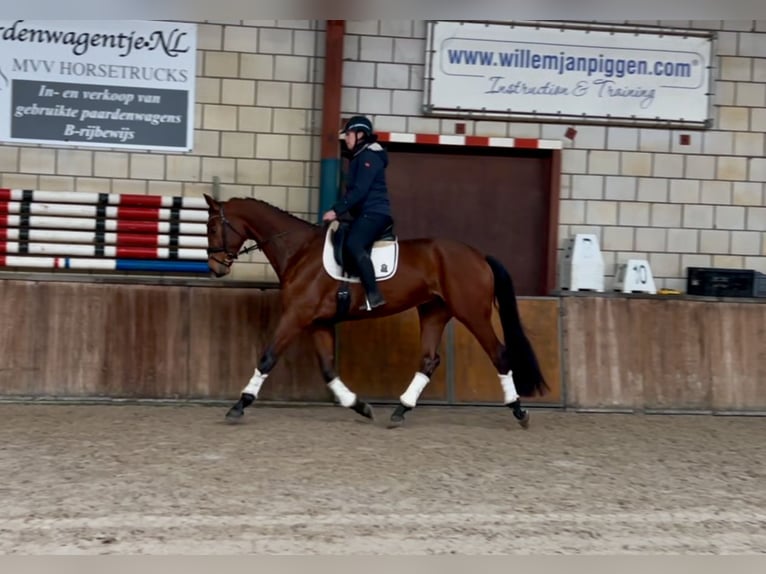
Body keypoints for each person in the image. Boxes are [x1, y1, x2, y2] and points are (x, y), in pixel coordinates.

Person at [322, 115, 393, 310]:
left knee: (354, 243)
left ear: (360, 135)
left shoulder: (368, 157)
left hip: (375, 214)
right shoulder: (359, 157)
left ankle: (374, 295)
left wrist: (336, 210)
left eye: (348, 134)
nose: (346, 138)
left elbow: (359, 191)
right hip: (365, 214)